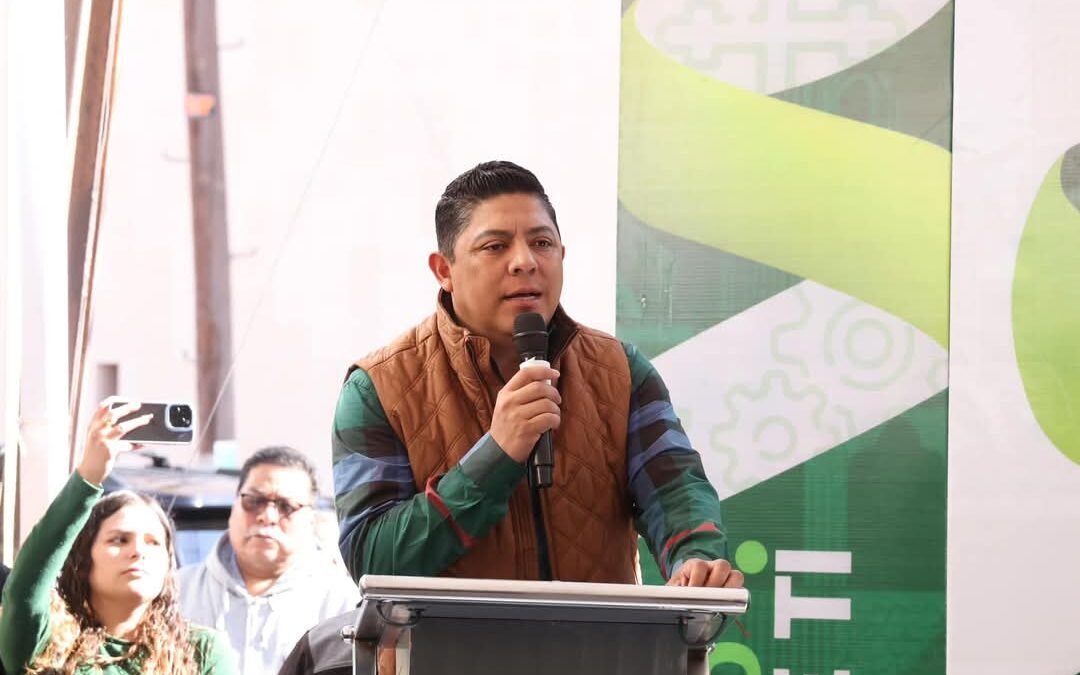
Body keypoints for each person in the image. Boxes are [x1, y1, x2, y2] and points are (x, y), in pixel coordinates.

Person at [332, 160, 744, 589]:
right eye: (495, 246)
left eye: (542, 243)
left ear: (562, 255)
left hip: (598, 635)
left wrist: (695, 558)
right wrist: (495, 457)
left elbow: (675, 490)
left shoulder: (619, 370)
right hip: (443, 637)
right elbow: (372, 558)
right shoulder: (378, 388)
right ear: (444, 270)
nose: (524, 262)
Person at [0, 402, 235, 674]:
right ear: (83, 559)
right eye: (119, 540)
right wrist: (89, 474)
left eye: (153, 542)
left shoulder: (201, 650)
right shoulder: (47, 642)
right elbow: (25, 591)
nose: (138, 551)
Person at [178, 446, 360, 675]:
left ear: (310, 519)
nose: (268, 516)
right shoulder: (177, 591)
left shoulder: (342, 604)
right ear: (234, 506)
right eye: (254, 501)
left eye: (286, 506)